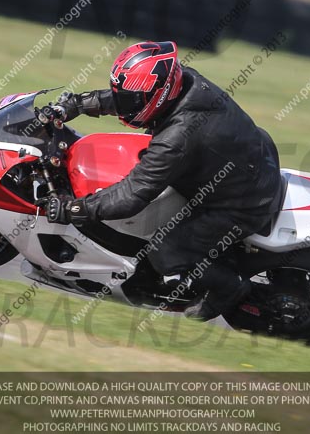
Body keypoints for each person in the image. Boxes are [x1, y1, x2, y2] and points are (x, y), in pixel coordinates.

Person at [42, 41, 282, 320]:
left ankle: (229, 288)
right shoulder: (183, 81)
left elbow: (130, 196)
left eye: (134, 99)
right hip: (248, 158)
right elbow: (129, 97)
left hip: (243, 201)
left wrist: (74, 209)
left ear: (161, 93)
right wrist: (79, 104)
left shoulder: (177, 138)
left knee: (165, 253)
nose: (127, 105)